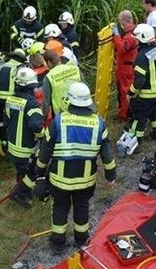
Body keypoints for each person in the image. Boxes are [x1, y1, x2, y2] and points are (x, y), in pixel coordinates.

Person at [34, 82, 116, 254]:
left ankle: (57, 243)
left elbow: (45, 150)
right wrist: (111, 175)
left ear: (69, 101)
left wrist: (40, 172)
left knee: (60, 208)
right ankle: (81, 239)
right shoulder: (98, 124)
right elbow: (106, 153)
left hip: (59, 180)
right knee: (82, 207)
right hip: (85, 180)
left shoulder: (59, 121)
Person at [5, 67, 45, 208]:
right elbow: (36, 125)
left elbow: (6, 121)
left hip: (13, 146)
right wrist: (43, 136)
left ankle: (23, 189)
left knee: (22, 171)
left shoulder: (10, 99)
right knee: (33, 172)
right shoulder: (32, 104)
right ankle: (19, 193)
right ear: (32, 85)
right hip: (26, 148)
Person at [125, 23, 156, 140]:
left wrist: (130, 93)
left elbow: (140, 80)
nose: (134, 41)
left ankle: (136, 138)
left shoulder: (141, 56)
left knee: (139, 116)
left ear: (141, 38)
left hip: (148, 95)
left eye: (136, 38)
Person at [0, 49, 27, 143]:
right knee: (12, 120)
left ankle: (2, 140)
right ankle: (11, 139)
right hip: (10, 99)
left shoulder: (2, 65)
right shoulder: (19, 67)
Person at [112, 10, 138, 122]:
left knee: (124, 92)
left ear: (124, 21)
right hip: (128, 66)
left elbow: (122, 48)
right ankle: (126, 112)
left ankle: (124, 115)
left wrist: (116, 35)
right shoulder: (135, 31)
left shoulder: (130, 36)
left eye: (120, 21)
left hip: (126, 69)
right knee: (125, 92)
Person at [42, 50, 82, 119]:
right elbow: (85, 88)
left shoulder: (49, 77)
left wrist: (43, 119)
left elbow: (46, 103)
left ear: (49, 62)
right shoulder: (75, 69)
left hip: (61, 117)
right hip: (79, 109)